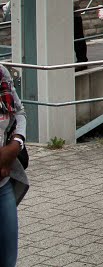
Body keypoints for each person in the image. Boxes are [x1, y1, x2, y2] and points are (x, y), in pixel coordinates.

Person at [0, 63, 29, 267]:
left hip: (2, 185)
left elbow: (19, 112)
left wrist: (15, 145)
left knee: (7, 260)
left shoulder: (0, 72)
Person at [73, 0, 87, 67]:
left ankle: (82, 61)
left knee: (78, 38)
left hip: (74, 14)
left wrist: (65, 7)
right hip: (63, 17)